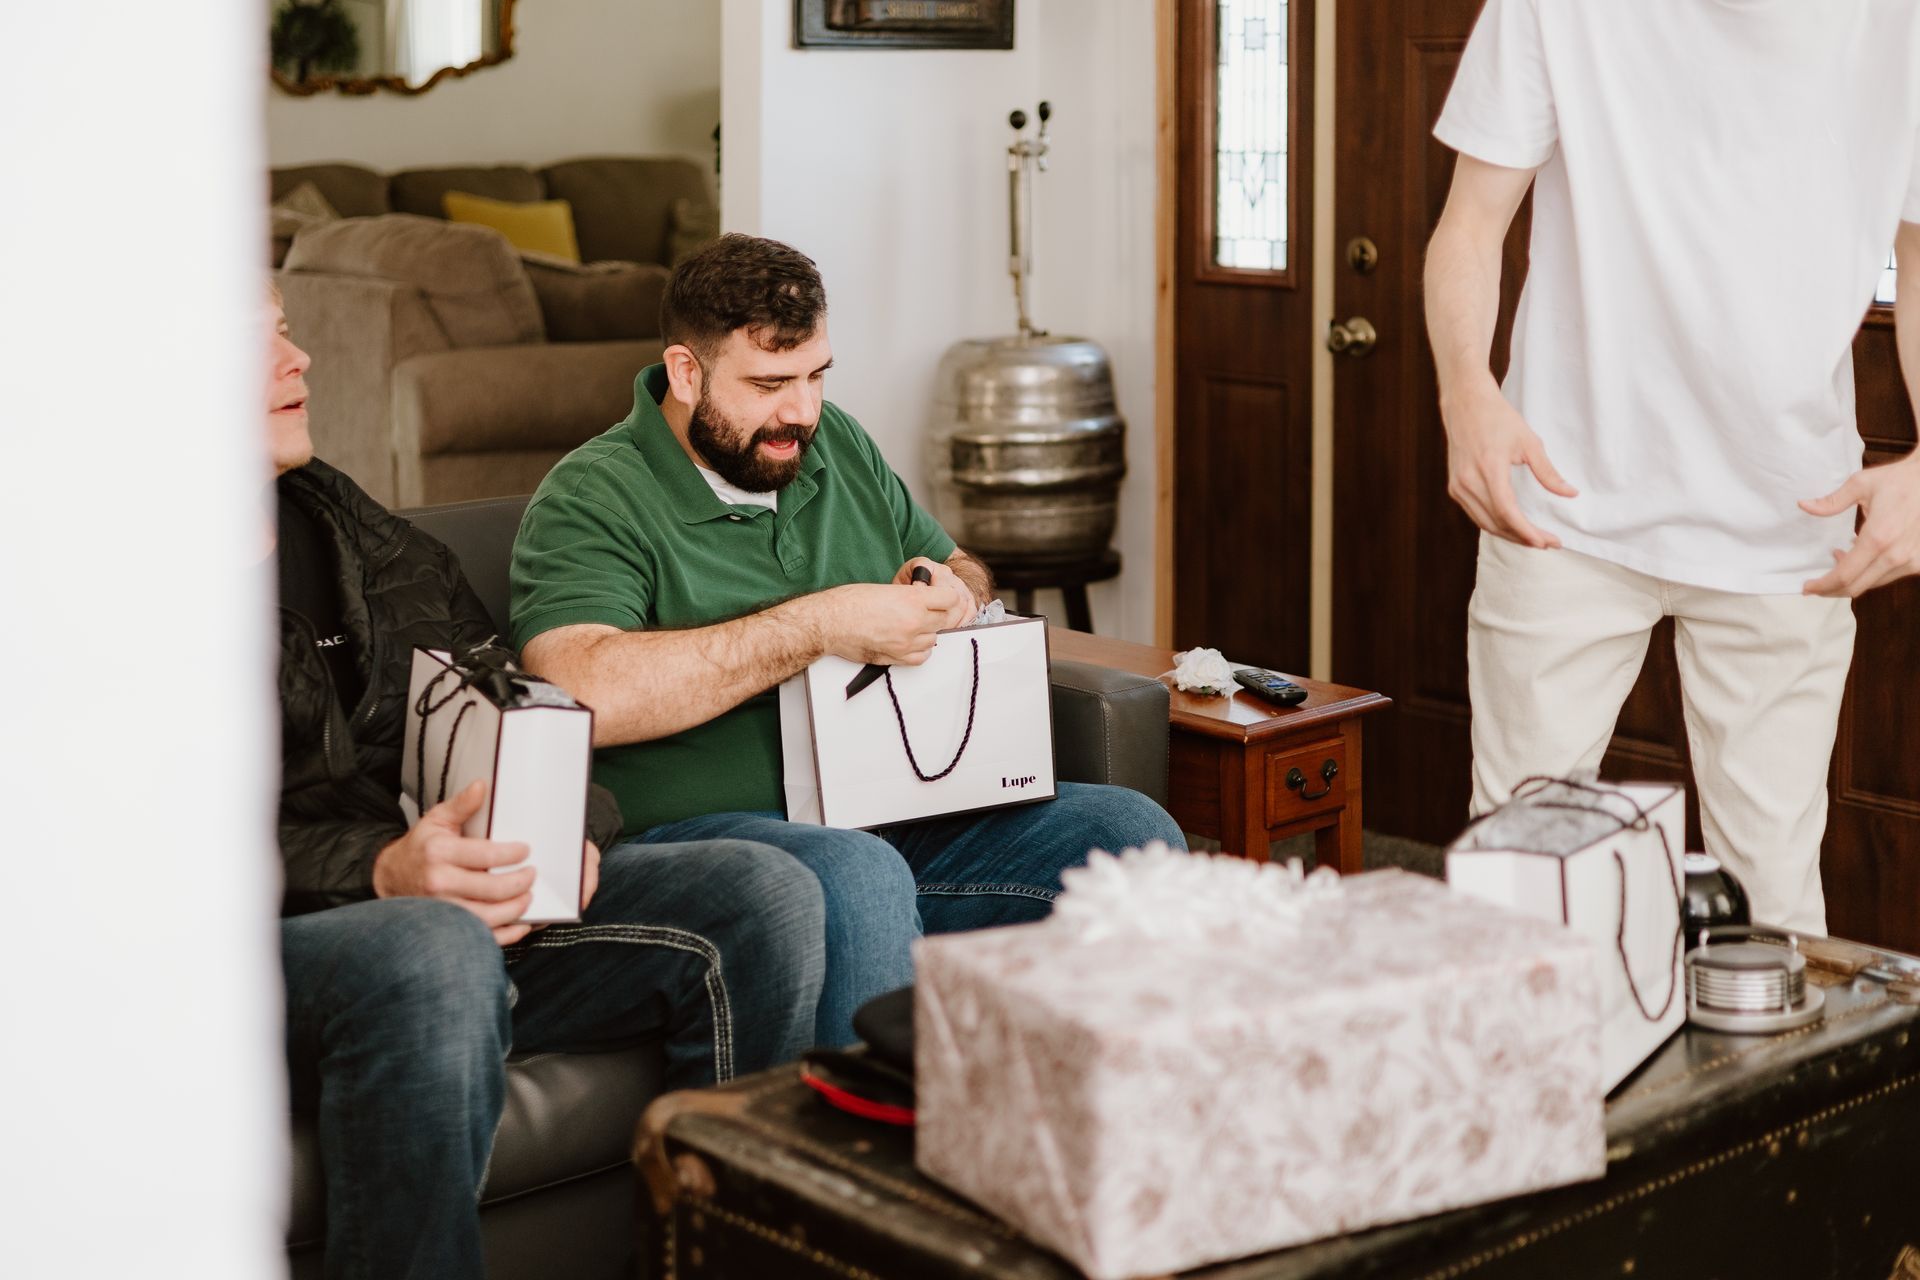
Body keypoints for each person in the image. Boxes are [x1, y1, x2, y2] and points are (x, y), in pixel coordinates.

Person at [266, 285, 826, 1279]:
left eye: (284, 327)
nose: (298, 357)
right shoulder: (88, 574)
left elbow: (530, 704)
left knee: (767, 894)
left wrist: (563, 816)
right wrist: (385, 869)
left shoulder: (350, 528)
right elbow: (112, 850)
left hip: (449, 905)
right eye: (252, 337)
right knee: (431, 947)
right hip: (272, 946)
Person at [509, 234, 1185, 1046]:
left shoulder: (838, 447)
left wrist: (957, 595)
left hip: (891, 810)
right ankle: (856, 1158)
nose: (801, 411)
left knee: (1129, 835)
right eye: (768, 383)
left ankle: (1094, 1130)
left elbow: (962, 564)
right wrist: (818, 624)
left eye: (816, 375)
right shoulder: (594, 493)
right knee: (853, 875)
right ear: (686, 373)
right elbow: (582, 684)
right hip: (710, 843)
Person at [1425, 0, 1920, 933]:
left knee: (1772, 909)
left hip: (1790, 526)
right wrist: (1466, 391)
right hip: (1560, 514)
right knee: (1516, 884)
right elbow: (1471, 224)